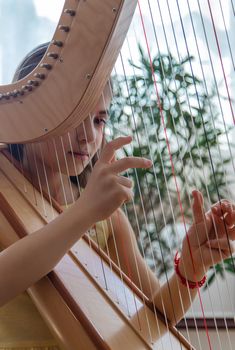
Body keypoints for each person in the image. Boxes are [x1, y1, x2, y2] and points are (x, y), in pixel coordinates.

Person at [0, 42, 234, 344]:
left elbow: (157, 317)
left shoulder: (107, 218)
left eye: (99, 120)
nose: (88, 136)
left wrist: (191, 267)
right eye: (73, 116)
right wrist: (84, 214)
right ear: (29, 112)